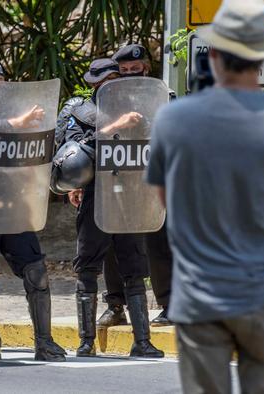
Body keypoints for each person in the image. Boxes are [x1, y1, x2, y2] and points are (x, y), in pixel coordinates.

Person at [146, 1, 264, 392]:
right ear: (263, 57)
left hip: (200, 294)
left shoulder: (173, 119)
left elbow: (165, 200)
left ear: (211, 53)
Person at [0, 63, 66, 362]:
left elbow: (45, 146)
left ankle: (44, 342)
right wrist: (16, 122)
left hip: (16, 201)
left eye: (1, 81)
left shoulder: (24, 111)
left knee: (36, 272)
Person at [63, 58, 163, 359]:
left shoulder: (141, 110)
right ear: (96, 84)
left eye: (116, 78)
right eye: (106, 81)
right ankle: (86, 341)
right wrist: (115, 127)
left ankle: (142, 341)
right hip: (96, 197)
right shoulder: (80, 112)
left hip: (131, 196)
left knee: (134, 267)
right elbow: (72, 151)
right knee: (88, 266)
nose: (113, 85)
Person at [96, 44, 173, 329]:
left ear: (146, 69)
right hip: (117, 181)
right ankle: (115, 305)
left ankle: (169, 304)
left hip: (154, 182)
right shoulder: (108, 101)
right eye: (124, 71)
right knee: (113, 244)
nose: (130, 74)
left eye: (135, 69)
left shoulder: (165, 97)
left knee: (159, 244)